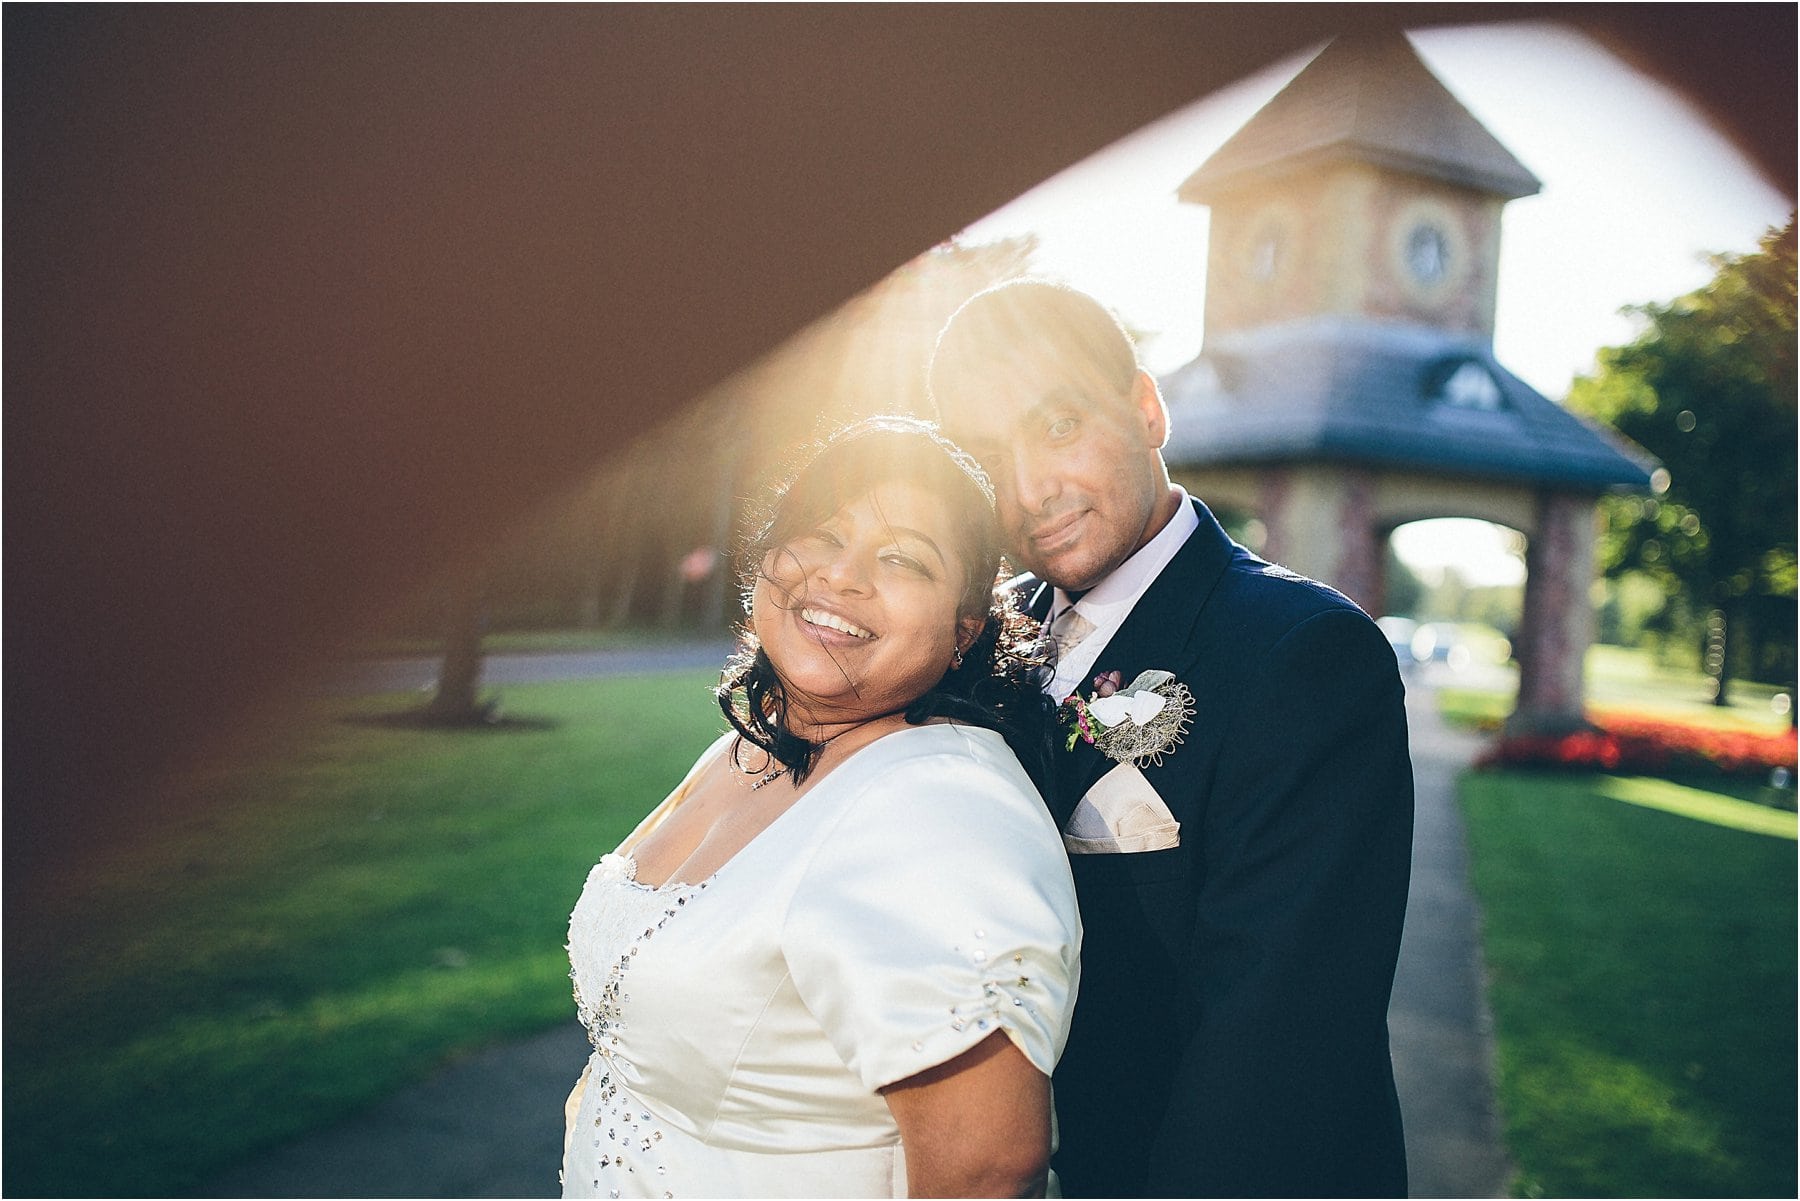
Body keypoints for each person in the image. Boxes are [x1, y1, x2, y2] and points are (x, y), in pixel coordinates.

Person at [928, 280, 1414, 1198]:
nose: (1029, 490)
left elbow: (1275, 1049)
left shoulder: (1305, 654)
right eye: (989, 457)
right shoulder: (978, 644)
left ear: (1146, 409)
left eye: (1060, 423)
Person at [560, 416, 1081, 1199]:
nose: (843, 576)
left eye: (902, 557)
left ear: (964, 629)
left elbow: (985, 1169)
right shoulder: (754, 746)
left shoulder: (937, 809)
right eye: (821, 533)